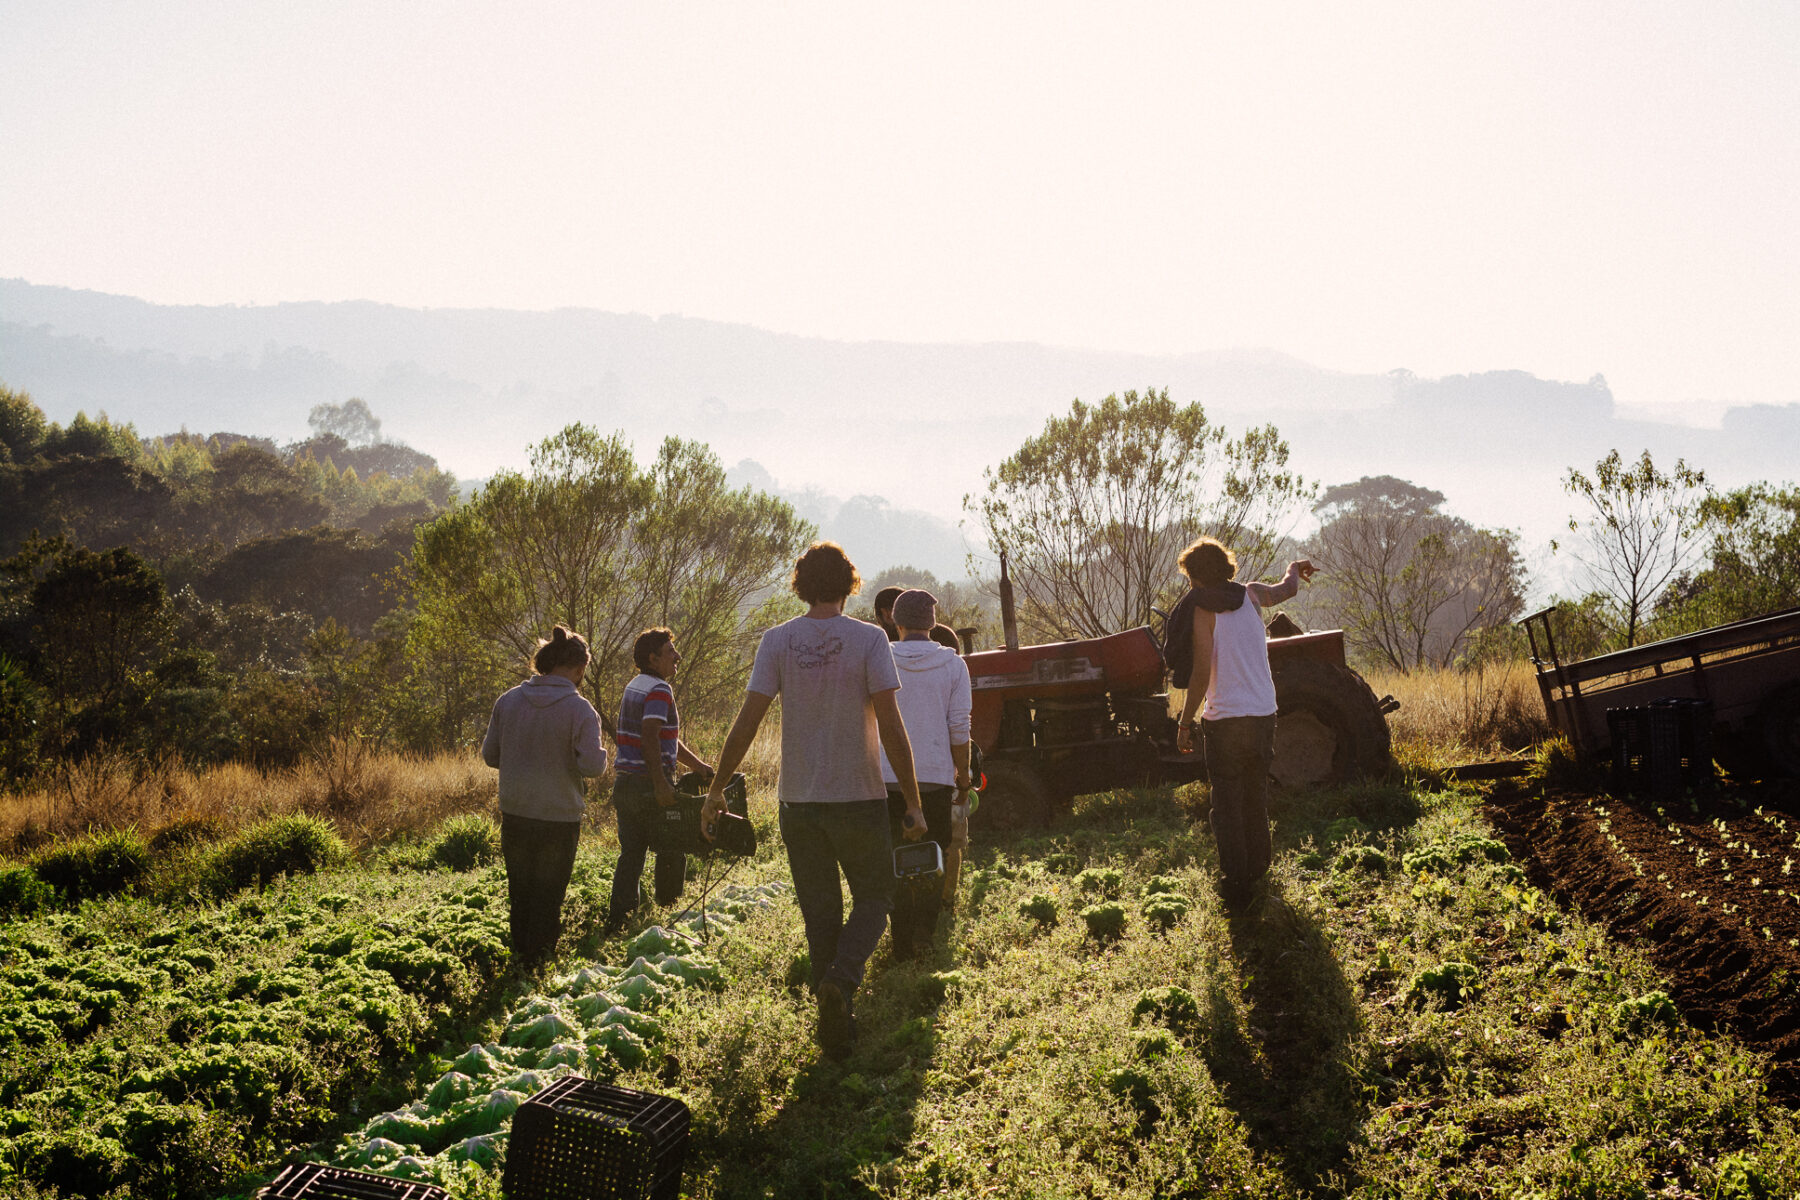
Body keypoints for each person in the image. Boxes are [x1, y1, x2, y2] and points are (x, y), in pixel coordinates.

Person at [704, 542, 925, 1059]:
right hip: (858, 797)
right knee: (877, 894)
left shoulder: (777, 640)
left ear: (800, 585)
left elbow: (747, 720)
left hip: (798, 801)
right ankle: (842, 982)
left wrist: (716, 788)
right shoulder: (870, 639)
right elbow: (892, 727)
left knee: (820, 912)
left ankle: (834, 1026)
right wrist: (912, 803)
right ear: (850, 583)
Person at [1171, 539, 1315, 911]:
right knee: (1256, 799)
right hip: (1264, 714)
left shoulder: (1203, 611)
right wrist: (1294, 568)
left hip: (1226, 721)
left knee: (1227, 806)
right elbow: (1287, 589)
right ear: (1227, 569)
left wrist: (1185, 723)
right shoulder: (1251, 595)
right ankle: (1259, 872)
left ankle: (1237, 884)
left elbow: (1201, 674)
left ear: (1197, 577)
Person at [481, 625, 609, 968]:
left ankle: (519, 958)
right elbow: (593, 767)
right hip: (558, 816)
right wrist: (603, 753)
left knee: (520, 892)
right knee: (549, 895)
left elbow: (490, 756)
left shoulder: (507, 701)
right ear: (580, 669)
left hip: (516, 811)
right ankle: (539, 964)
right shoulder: (581, 710)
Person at [879, 590, 973, 958]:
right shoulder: (954, 666)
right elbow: (959, 728)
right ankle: (924, 935)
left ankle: (899, 940)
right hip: (936, 779)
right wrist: (962, 780)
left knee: (894, 859)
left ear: (896, 623)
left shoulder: (880, 658)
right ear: (933, 625)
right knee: (934, 856)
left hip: (885, 779)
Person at [608, 627, 715, 932]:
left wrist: (697, 765)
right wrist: (660, 784)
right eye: (670, 651)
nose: (677, 656)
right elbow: (650, 737)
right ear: (653, 658)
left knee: (631, 854)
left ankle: (620, 921)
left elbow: (664, 737)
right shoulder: (659, 689)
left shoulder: (635, 686)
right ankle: (668, 916)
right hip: (646, 784)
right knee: (672, 845)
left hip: (625, 783)